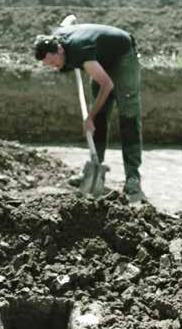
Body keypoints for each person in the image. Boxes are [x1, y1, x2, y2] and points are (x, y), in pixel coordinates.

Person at [33, 23, 145, 201]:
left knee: (128, 117)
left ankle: (133, 179)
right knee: (100, 114)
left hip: (122, 57)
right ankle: (95, 168)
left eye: (54, 62)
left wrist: (89, 118)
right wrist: (94, 116)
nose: (54, 67)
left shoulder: (80, 49)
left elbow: (107, 84)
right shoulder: (56, 38)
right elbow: (67, 23)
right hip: (100, 59)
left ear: (60, 50)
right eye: (49, 65)